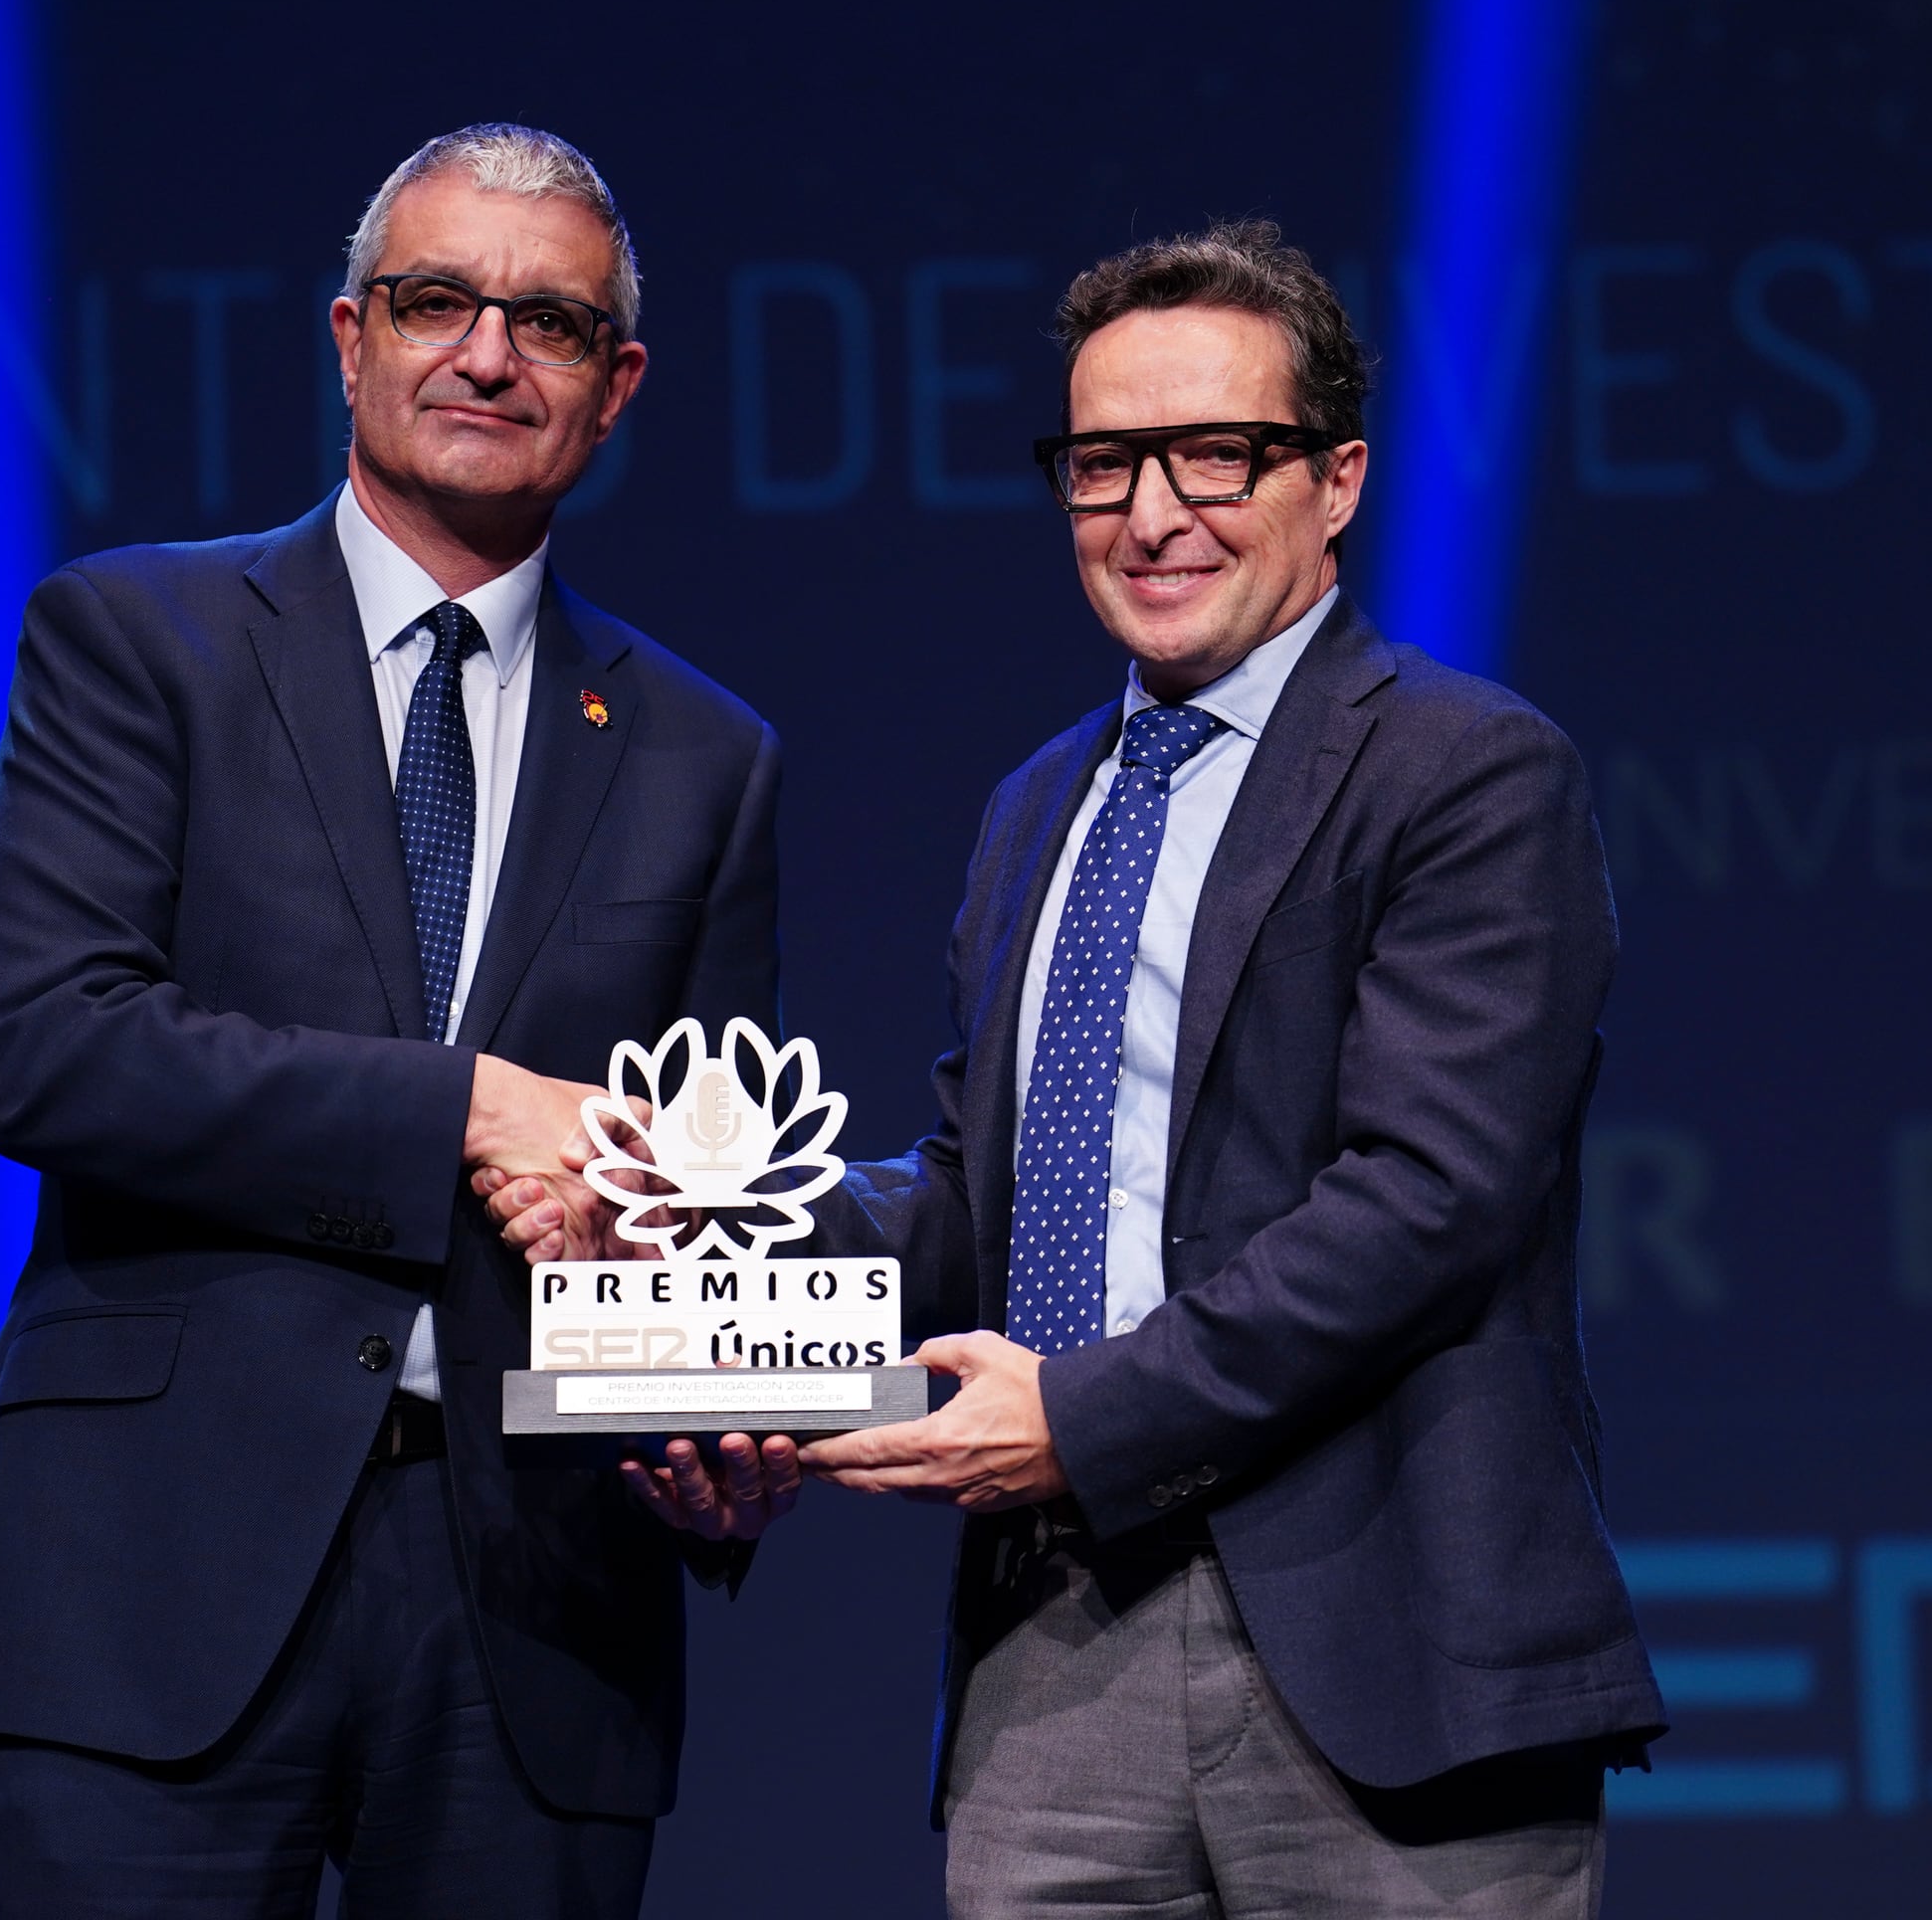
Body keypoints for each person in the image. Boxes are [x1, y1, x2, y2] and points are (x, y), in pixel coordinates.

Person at [495, 219, 1663, 1915]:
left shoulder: (1466, 772)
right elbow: (979, 1202)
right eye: (1105, 463)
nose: (1154, 512)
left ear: (1336, 482)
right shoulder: (1041, 805)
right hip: (1056, 1646)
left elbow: (1429, 1202)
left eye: (1218, 455)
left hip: (1380, 1640)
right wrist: (694, 1242)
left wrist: (1082, 1418)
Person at [0, 122, 800, 1919]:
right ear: (350, 336)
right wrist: (467, 1107)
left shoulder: (706, 755)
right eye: (434, 301)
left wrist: (708, 1433)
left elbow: (692, 1193)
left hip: (535, 1614)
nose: (487, 353)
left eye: (549, 323)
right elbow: (57, 1047)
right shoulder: (138, 637)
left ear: (616, 386)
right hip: (154, 1576)